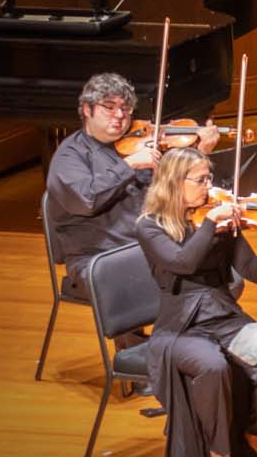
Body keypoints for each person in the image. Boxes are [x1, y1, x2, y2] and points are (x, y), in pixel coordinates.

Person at [137, 147, 257, 457]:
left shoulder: (219, 220)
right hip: (181, 325)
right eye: (201, 180)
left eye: (210, 179)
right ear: (174, 182)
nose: (209, 187)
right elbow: (183, 263)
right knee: (212, 366)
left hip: (223, 316)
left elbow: (252, 273)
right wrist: (211, 225)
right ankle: (217, 450)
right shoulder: (150, 227)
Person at [47, 73, 220, 313]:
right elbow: (87, 200)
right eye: (109, 107)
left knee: (224, 275)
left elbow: (172, 196)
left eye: (125, 109)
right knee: (197, 290)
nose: (120, 116)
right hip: (101, 260)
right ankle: (158, 344)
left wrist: (200, 155)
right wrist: (128, 165)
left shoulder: (142, 143)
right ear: (87, 110)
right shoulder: (70, 156)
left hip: (149, 248)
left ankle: (176, 342)